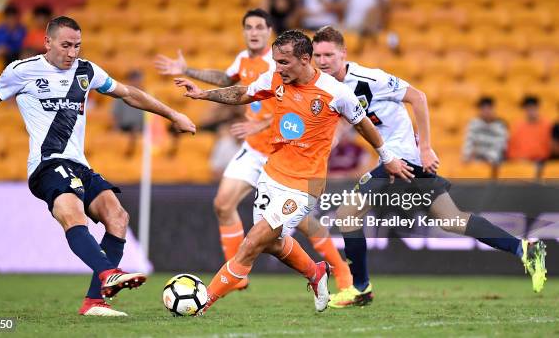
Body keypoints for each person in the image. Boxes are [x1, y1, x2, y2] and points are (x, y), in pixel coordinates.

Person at [0, 16, 196, 317]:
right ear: (47, 42)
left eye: (77, 46)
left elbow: (128, 93)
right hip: (47, 164)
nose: (72, 53)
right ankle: (109, 273)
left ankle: (95, 302)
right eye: (65, 45)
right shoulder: (21, 71)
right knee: (72, 213)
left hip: (79, 164)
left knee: (117, 216)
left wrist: (173, 115)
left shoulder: (86, 70)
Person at [175, 30, 414, 314]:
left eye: (284, 62)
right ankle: (315, 273)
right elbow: (243, 92)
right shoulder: (275, 79)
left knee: (252, 242)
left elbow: (363, 125)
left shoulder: (336, 92)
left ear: (304, 59)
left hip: (304, 186)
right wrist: (203, 94)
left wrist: (387, 156)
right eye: (276, 61)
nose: (279, 68)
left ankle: (202, 303)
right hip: (272, 175)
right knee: (272, 244)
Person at [310, 26, 547, 309]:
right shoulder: (328, 87)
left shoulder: (369, 77)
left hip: (402, 157)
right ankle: (524, 248)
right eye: (317, 55)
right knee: (452, 220)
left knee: (348, 213)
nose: (322, 61)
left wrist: (425, 148)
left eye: (329, 55)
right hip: (394, 157)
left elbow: (418, 97)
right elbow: (340, 125)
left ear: (343, 54)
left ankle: (360, 288)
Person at [155, 9, 355, 293]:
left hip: (287, 154)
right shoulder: (244, 59)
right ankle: (238, 272)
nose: (253, 32)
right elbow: (228, 82)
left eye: (260, 27)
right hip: (254, 151)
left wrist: (260, 124)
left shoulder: (283, 65)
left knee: (303, 223)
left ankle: (341, 270)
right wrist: (188, 71)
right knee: (223, 203)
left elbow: (300, 116)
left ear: (270, 31)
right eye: (248, 27)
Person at [462, 97, 508, 170]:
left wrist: (489, 159)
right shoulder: (473, 124)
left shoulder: (500, 126)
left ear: (493, 109)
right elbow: (468, 143)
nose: (486, 111)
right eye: (483, 109)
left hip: (494, 163)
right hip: (476, 161)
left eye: (488, 108)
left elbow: (500, 147)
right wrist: (467, 157)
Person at [507, 96, 552, 163]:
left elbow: (552, 147)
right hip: (522, 162)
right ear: (524, 109)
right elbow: (511, 148)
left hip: (543, 161)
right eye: (528, 108)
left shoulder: (548, 126)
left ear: (538, 108)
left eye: (533, 108)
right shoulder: (517, 126)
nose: (530, 111)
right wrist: (517, 159)